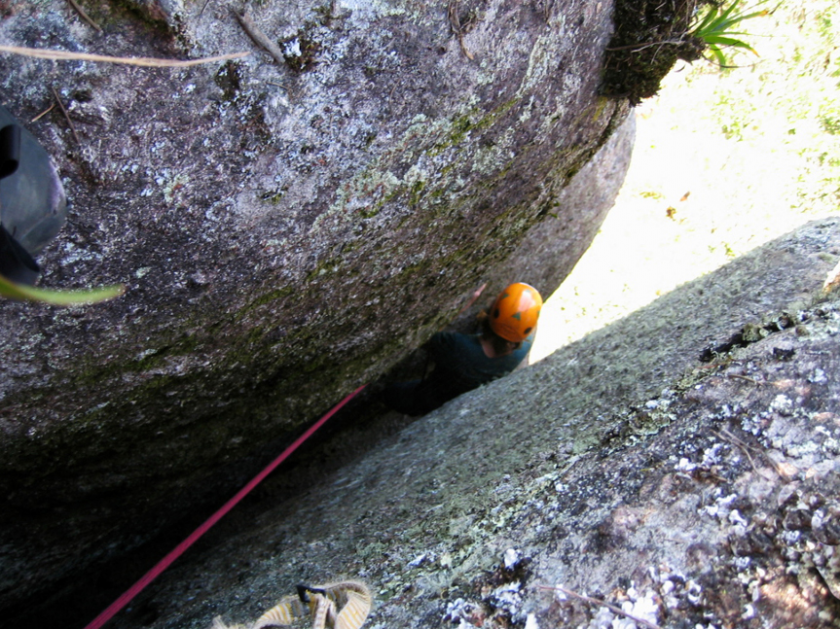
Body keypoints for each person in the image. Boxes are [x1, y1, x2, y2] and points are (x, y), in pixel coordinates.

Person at [382, 282, 543, 416]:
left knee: (387, 393)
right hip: (452, 406)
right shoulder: (521, 350)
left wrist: (462, 307)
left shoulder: (457, 347)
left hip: (424, 399)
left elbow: (420, 336)